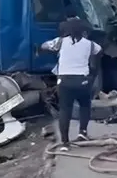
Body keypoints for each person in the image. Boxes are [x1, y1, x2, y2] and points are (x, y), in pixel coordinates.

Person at [41, 18, 102, 151]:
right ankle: (82, 133)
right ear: (83, 30)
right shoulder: (90, 44)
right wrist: (92, 74)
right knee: (85, 106)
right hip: (83, 81)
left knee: (65, 110)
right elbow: (99, 51)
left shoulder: (61, 41)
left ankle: (64, 142)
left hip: (64, 81)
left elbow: (44, 46)